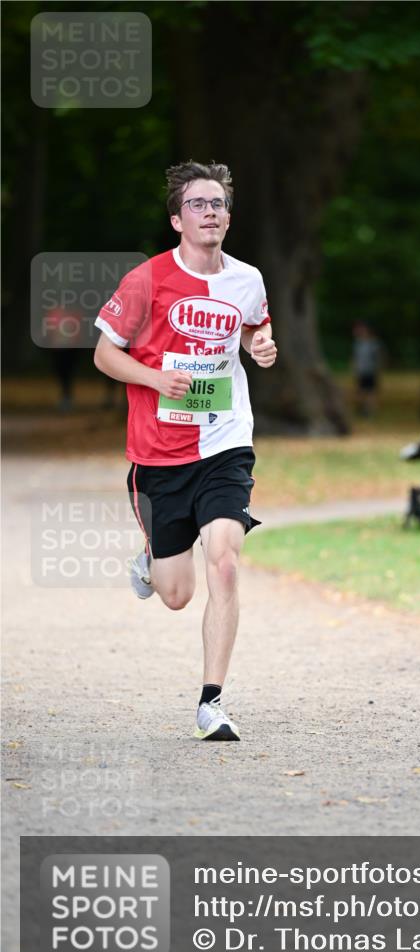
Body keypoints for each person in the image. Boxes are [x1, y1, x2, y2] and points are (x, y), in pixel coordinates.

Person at [93, 160, 277, 742]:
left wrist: (262, 344)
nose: (211, 212)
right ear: (177, 219)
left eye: (219, 204)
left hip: (225, 442)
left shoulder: (247, 279)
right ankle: (153, 555)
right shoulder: (146, 281)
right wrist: (151, 379)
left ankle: (212, 701)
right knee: (176, 594)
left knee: (224, 559)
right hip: (159, 453)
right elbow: (104, 354)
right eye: (198, 204)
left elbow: (252, 327)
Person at [351, 320, 382, 417]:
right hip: (361, 371)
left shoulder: (373, 343)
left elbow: (378, 357)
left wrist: (378, 368)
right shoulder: (357, 344)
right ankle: (362, 410)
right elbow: (354, 358)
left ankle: (370, 412)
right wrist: (354, 368)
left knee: (371, 392)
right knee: (360, 392)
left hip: (370, 371)